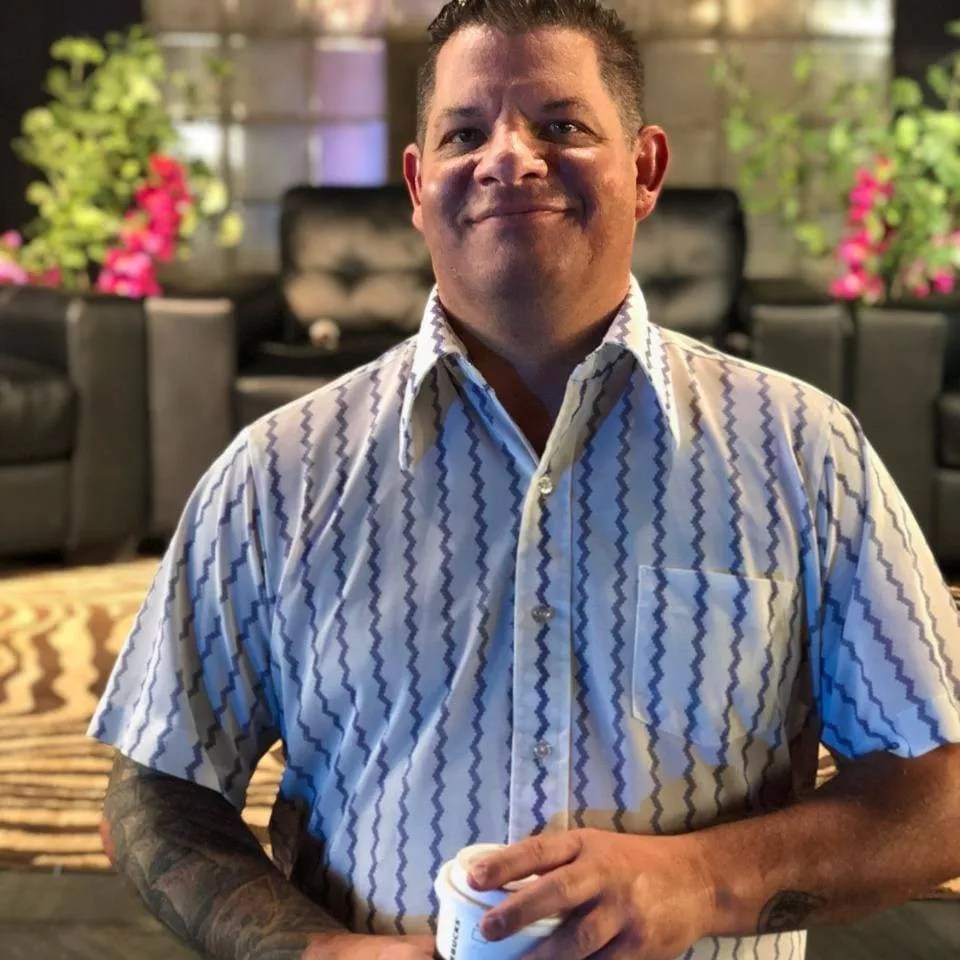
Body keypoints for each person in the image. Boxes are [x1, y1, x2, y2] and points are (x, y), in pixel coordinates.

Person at [89, 1, 960, 959]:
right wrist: (318, 952)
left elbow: (942, 787)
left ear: (645, 169)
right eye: (465, 132)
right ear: (418, 184)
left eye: (562, 125)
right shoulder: (276, 475)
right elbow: (158, 788)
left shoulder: (802, 452)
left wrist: (704, 880)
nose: (509, 156)